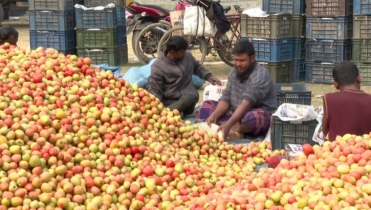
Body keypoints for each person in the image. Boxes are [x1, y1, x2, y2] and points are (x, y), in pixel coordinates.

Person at [196, 40, 277, 140]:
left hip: (252, 113)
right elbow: (226, 98)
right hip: (235, 112)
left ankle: (237, 130)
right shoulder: (234, 72)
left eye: (242, 61)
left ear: (252, 58)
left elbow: (246, 104)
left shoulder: (260, 75)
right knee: (206, 106)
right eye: (236, 60)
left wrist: (229, 124)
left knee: (253, 118)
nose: (238, 64)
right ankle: (229, 128)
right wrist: (214, 116)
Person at [148, 36, 221, 117]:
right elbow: (155, 89)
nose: (184, 53)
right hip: (169, 100)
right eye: (182, 52)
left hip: (187, 100)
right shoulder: (158, 66)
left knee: (189, 98)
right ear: (172, 52)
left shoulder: (188, 56)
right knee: (176, 110)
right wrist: (154, 105)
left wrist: (208, 76)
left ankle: (168, 113)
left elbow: (197, 67)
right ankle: (172, 112)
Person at [322, 61, 371, 141]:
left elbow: (325, 132)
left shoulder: (328, 99)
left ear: (335, 84)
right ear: (359, 78)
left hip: (337, 151)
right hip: (365, 151)